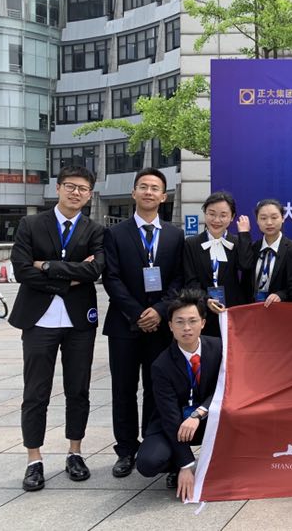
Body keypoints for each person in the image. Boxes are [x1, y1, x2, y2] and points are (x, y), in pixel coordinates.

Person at [9, 166, 105, 491]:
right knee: (36, 392)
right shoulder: (31, 224)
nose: (76, 193)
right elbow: (22, 270)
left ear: (89, 195)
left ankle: (75, 453)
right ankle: (34, 459)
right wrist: (69, 279)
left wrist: (47, 266)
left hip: (79, 323)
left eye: (82, 189)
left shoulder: (95, 230)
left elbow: (95, 271)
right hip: (38, 321)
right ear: (58, 187)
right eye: (70, 186)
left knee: (78, 390)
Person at [102, 167, 185, 478]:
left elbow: (179, 278)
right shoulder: (114, 233)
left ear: (163, 197)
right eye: (144, 187)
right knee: (123, 389)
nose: (149, 192)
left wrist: (160, 310)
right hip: (124, 325)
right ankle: (125, 450)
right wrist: (138, 313)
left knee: (156, 387)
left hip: (161, 327)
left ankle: (153, 445)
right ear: (134, 193)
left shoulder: (175, 235)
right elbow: (111, 278)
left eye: (155, 188)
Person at [136, 289, 222, 502]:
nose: (186, 328)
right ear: (170, 326)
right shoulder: (161, 365)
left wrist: (199, 413)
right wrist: (186, 464)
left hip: (206, 418)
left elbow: (223, 388)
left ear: (203, 323)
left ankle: (221, 464)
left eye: (192, 321)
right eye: (180, 322)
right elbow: (169, 417)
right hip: (173, 423)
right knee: (148, 462)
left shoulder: (219, 348)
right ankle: (175, 464)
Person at [183, 192, 247, 337]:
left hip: (232, 312)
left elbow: (245, 266)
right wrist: (206, 300)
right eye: (211, 214)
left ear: (232, 217)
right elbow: (190, 280)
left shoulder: (238, 243)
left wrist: (244, 235)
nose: (217, 220)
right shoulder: (191, 244)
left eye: (223, 215)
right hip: (202, 312)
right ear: (205, 214)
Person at [237, 199, 292, 307]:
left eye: (274, 217)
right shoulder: (253, 248)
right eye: (263, 218)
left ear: (283, 218)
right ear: (257, 221)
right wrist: (244, 234)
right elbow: (244, 266)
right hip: (253, 309)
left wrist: (281, 295)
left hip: (281, 310)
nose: (269, 222)